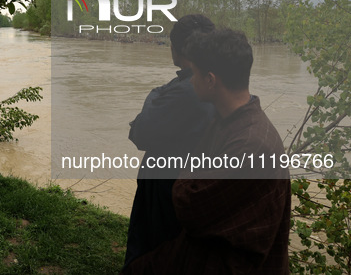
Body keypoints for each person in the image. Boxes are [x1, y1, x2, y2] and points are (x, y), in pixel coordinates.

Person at [123, 29, 291, 274]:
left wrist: (187, 174)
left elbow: (187, 205)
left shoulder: (248, 145)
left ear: (210, 80)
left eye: (195, 74)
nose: (190, 81)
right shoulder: (229, 121)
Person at [123, 14, 215, 270]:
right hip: (191, 187)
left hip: (166, 191)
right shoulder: (216, 83)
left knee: (149, 255)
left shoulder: (183, 91)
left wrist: (155, 93)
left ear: (177, 48)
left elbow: (140, 133)